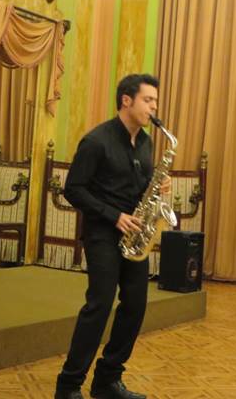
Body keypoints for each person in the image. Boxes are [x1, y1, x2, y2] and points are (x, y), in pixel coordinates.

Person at [55, 74, 171, 399]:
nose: (154, 107)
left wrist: (158, 186)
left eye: (155, 101)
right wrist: (113, 215)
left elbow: (140, 186)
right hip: (102, 233)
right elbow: (73, 189)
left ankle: (107, 380)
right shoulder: (96, 141)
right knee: (100, 305)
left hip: (135, 235)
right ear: (126, 100)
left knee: (135, 305)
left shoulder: (146, 143)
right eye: (148, 100)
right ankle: (68, 385)